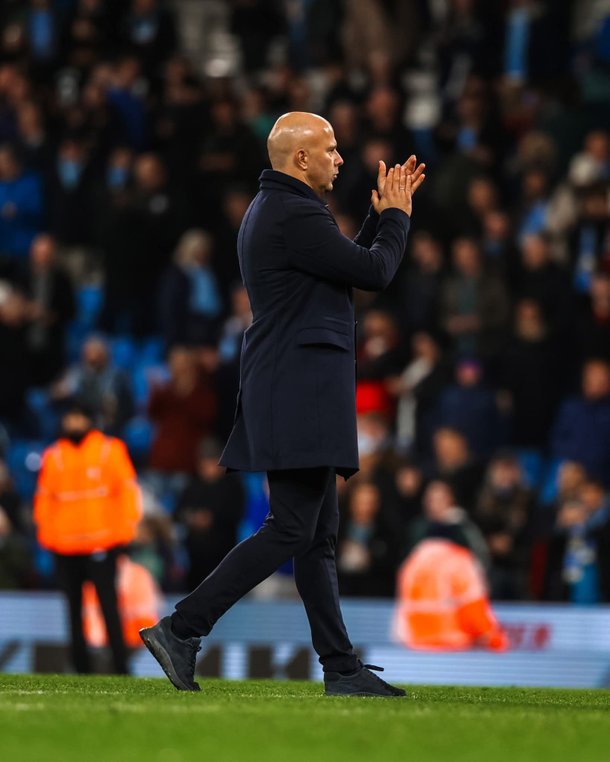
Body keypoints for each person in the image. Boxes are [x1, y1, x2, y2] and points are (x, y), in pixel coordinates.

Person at [140, 111, 425, 697]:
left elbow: (341, 265)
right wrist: (397, 218)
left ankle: (341, 667)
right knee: (293, 528)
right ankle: (182, 627)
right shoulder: (294, 213)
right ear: (300, 158)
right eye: (330, 149)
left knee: (316, 534)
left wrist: (377, 216)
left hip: (295, 385)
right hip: (299, 389)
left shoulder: (280, 209)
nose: (339, 158)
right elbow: (373, 272)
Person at [34, 403, 142, 674]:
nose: (73, 423)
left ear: (89, 420)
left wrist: (125, 531)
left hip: (101, 542)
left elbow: (127, 490)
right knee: (73, 610)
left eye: (78, 418)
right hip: (65, 545)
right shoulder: (54, 455)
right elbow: (45, 499)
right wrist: (48, 537)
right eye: (69, 418)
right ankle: (80, 667)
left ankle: (121, 666)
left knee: (109, 607)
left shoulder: (110, 450)